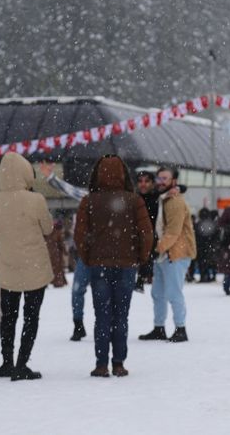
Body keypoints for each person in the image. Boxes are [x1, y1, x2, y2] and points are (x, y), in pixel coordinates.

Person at [74, 155, 153, 377]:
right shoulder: (134, 201)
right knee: (121, 316)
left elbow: (80, 235)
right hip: (127, 265)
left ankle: (101, 364)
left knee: (102, 315)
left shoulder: (89, 201)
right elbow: (146, 233)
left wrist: (88, 257)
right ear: (123, 174)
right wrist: (140, 257)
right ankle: (118, 363)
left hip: (98, 265)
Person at [0, 152, 53, 381]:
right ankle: (22, 363)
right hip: (35, 266)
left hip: (8, 266)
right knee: (31, 316)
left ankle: (7, 362)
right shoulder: (36, 200)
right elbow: (48, 228)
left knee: (9, 316)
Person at [139, 166, 196, 343]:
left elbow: (173, 232)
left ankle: (181, 328)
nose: (161, 182)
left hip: (175, 253)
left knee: (173, 292)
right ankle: (159, 328)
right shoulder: (162, 198)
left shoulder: (174, 201)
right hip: (163, 253)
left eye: (165, 178)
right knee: (158, 293)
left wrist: (156, 249)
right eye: (159, 178)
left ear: (173, 181)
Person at [39, 162, 90, 341]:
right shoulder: (90, 197)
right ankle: (78, 324)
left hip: (102, 256)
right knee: (78, 290)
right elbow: (71, 190)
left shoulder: (119, 198)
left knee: (100, 293)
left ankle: (103, 325)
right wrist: (52, 178)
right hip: (87, 255)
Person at [195, 208, 219, 282]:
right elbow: (216, 236)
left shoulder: (198, 224)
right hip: (209, 246)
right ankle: (210, 275)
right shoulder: (212, 224)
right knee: (209, 262)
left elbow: (196, 235)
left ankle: (203, 276)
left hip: (200, 246)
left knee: (201, 262)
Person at [47, 218, 69, 288]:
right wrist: (65, 251)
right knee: (58, 268)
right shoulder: (58, 232)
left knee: (52, 268)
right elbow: (61, 243)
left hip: (49, 253)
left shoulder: (48, 232)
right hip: (56, 253)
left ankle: (51, 281)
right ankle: (58, 282)